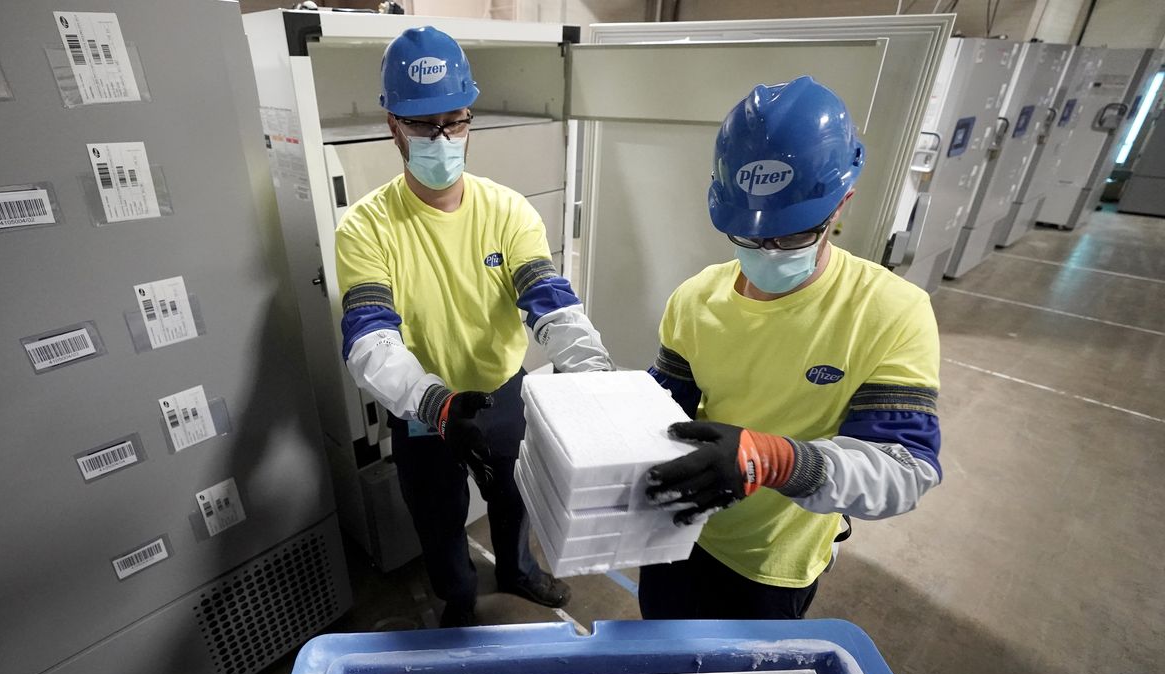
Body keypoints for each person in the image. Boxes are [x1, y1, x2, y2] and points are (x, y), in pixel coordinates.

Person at [335, 27, 612, 627]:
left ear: (469, 119)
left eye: (455, 122)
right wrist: (434, 405)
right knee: (437, 515)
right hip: (420, 406)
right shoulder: (366, 228)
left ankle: (517, 570)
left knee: (513, 496)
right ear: (393, 126)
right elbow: (369, 338)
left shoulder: (508, 209)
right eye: (423, 125)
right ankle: (458, 598)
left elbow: (549, 299)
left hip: (500, 389)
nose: (442, 139)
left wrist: (597, 377)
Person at [641, 77, 942, 620]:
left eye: (792, 234)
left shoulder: (891, 313)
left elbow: (906, 469)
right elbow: (661, 413)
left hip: (774, 562)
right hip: (677, 536)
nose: (768, 251)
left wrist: (777, 461)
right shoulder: (694, 300)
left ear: (841, 205)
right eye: (749, 236)